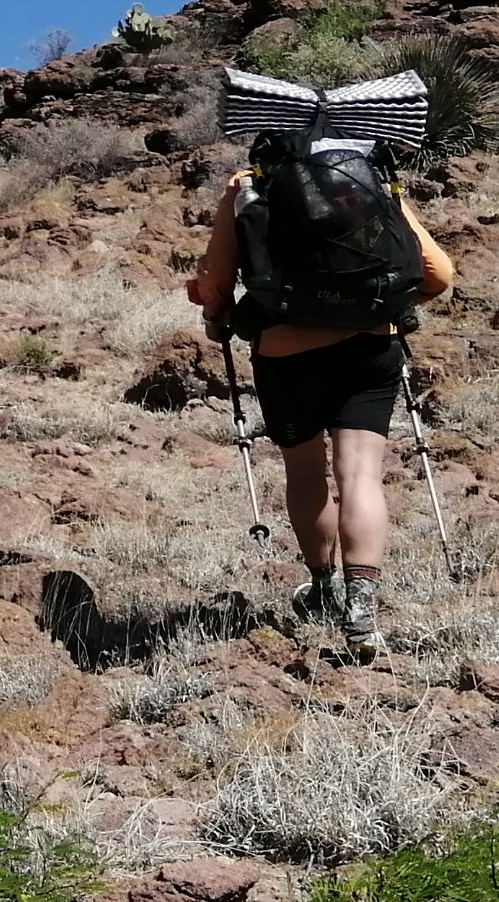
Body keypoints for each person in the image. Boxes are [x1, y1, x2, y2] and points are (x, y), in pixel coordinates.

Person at [185, 133, 455, 655]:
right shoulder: (368, 178)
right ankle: (362, 610)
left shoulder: (250, 185)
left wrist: (217, 317)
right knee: (360, 476)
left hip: (286, 355)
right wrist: (391, 301)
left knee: (307, 473)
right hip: (370, 347)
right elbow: (438, 273)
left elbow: (215, 281)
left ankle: (324, 589)